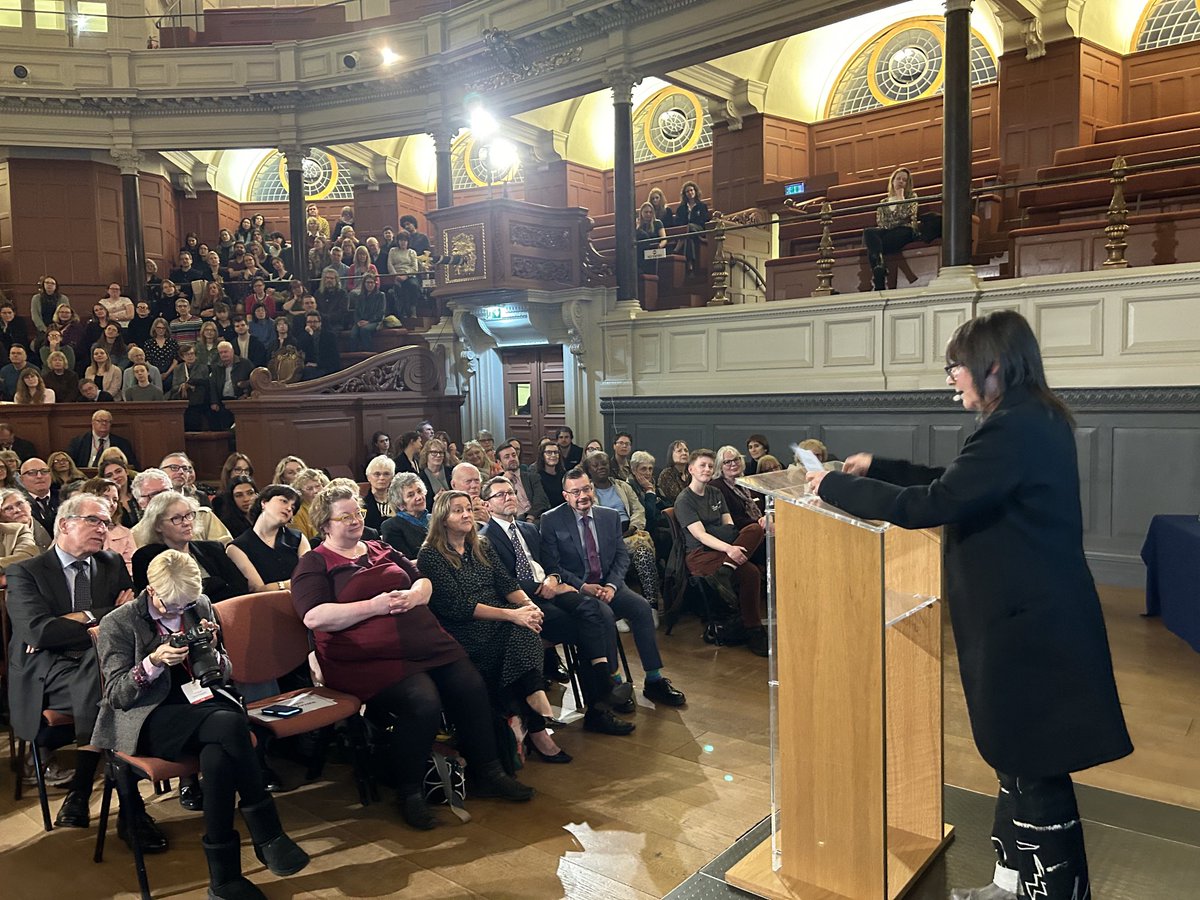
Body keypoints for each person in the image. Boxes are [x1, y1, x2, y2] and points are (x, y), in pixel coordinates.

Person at [806, 310, 1132, 900]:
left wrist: (833, 486)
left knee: (1033, 761)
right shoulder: (1028, 417)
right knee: (1019, 759)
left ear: (993, 365)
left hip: (1027, 625)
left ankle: (1049, 892)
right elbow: (959, 483)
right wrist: (879, 468)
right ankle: (1012, 882)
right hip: (1029, 617)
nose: (951, 377)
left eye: (955, 365)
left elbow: (936, 502)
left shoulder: (1015, 426)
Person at [291, 482, 534, 829]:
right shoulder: (315, 563)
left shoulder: (379, 546)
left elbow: (421, 579)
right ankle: (410, 792)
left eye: (357, 512)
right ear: (325, 524)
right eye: (344, 516)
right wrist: (373, 606)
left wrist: (416, 596)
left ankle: (490, 772)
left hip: (423, 642)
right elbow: (313, 616)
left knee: (469, 684)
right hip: (364, 657)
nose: (355, 520)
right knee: (423, 700)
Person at [92, 550, 310, 898]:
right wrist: (152, 662)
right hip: (150, 715)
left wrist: (210, 648)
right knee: (231, 726)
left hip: (203, 705)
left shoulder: (200, 605)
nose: (181, 612)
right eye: (172, 606)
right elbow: (118, 695)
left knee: (219, 756)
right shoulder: (120, 622)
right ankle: (268, 833)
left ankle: (224, 881)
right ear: (151, 590)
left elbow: (224, 672)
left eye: (187, 604)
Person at [5, 494, 167, 850]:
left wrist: (81, 619)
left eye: (107, 523)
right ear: (65, 524)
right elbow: (38, 633)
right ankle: (127, 808)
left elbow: (136, 615)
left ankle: (85, 790)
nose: (103, 529)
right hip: (47, 671)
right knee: (117, 684)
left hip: (98, 665)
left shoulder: (109, 562)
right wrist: (104, 616)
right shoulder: (26, 571)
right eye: (94, 521)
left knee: (109, 679)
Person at [418, 491, 570, 764]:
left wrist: (528, 606)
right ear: (442, 518)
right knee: (520, 628)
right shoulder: (431, 555)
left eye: (468, 509)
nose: (466, 515)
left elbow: (506, 584)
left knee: (526, 625)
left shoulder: (482, 545)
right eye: (457, 511)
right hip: (463, 627)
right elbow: (459, 607)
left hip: (499, 617)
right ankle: (535, 718)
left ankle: (529, 713)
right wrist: (514, 615)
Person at [481, 476, 633, 737]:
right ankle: (601, 698)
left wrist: (554, 578)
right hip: (526, 600)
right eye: (500, 495)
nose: (508, 497)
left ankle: (602, 684)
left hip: (552, 590)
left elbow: (551, 562)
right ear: (487, 504)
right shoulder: (485, 538)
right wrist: (543, 587)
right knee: (586, 626)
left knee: (594, 611)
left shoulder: (529, 529)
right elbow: (502, 582)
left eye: (510, 492)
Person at [540, 468, 687, 708]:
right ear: (565, 495)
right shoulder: (551, 520)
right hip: (576, 589)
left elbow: (621, 556)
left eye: (586, 489)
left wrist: (611, 585)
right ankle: (614, 682)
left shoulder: (609, 516)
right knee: (604, 615)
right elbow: (552, 564)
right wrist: (583, 586)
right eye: (575, 492)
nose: (582, 496)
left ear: (593, 489)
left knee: (640, 607)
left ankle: (654, 679)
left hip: (608, 584)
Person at [675, 448, 768, 656]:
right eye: (702, 465)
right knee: (751, 571)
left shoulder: (715, 493)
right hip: (700, 555)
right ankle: (752, 628)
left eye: (710, 466)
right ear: (691, 469)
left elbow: (730, 527)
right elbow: (700, 535)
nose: (707, 469)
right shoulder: (684, 500)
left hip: (721, 551)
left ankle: (751, 626)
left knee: (754, 529)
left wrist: (723, 541)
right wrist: (728, 547)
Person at [131, 490, 248, 601]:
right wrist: (215, 585)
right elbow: (162, 601)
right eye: (176, 518)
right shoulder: (145, 557)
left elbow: (240, 588)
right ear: (158, 526)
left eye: (189, 515)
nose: (186, 523)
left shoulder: (213, 548)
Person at [580, 452, 660, 610]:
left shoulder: (623, 486)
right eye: (595, 465)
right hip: (604, 537)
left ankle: (651, 605)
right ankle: (613, 607)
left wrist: (634, 527)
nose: (601, 467)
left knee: (643, 551)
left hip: (630, 531)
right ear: (589, 470)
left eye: (604, 464)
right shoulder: (586, 492)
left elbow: (638, 509)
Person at [227, 484, 309, 592]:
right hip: (265, 605)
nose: (289, 508)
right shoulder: (236, 547)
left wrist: (278, 586)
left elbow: (309, 578)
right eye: (284, 501)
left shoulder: (298, 538)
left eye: (293, 508)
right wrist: (292, 583)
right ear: (264, 502)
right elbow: (259, 589)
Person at [863, 166, 919, 291]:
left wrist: (901, 199)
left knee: (873, 248)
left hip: (904, 231)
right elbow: (881, 222)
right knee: (869, 232)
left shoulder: (912, 197)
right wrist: (896, 221)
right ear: (892, 181)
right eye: (898, 179)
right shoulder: (883, 201)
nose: (901, 182)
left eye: (904, 180)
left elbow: (905, 216)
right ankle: (880, 266)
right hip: (887, 232)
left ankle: (879, 278)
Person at [79, 476, 137, 573]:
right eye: (105, 497)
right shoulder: (73, 528)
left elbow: (131, 567)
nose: (111, 504)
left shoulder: (124, 533)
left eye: (115, 500)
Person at [379, 472, 430, 559]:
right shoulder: (391, 526)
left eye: (419, 491)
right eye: (411, 495)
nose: (419, 497)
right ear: (400, 505)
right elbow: (403, 563)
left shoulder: (435, 519)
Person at [67, 409, 140, 469]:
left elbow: (133, 465)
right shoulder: (78, 441)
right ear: (93, 423)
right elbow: (70, 464)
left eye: (107, 421)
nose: (104, 424)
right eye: (100, 421)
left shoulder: (122, 443)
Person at [207, 341, 254, 429]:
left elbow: (253, 381)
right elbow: (212, 385)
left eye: (226, 352)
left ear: (232, 351)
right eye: (221, 352)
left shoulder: (245, 364)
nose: (224, 354)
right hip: (223, 402)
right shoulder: (216, 367)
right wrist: (214, 402)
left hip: (240, 402)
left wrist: (246, 394)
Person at [675, 181, 709, 273]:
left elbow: (704, 221)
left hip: (699, 229)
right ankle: (690, 264)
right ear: (685, 194)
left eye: (691, 190)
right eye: (687, 191)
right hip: (688, 232)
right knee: (689, 238)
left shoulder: (702, 206)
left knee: (689, 227)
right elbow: (678, 222)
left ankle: (678, 248)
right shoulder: (681, 208)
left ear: (695, 191)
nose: (690, 193)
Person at [19, 457, 60, 534]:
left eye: (44, 471)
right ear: (21, 479)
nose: (39, 476)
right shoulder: (19, 505)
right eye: (32, 473)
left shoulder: (65, 498)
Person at [215, 475, 258, 540]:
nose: (246, 499)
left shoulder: (266, 517)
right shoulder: (227, 524)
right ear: (232, 499)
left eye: (250, 493)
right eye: (239, 495)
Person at [101, 457, 140, 528]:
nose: (115, 476)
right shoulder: (105, 502)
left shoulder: (140, 493)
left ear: (126, 471)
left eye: (118, 471)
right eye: (109, 475)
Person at [362, 454, 396, 531]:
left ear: (392, 477)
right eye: (377, 474)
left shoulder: (399, 502)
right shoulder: (362, 505)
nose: (382, 478)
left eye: (386, 474)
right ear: (368, 477)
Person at [635, 202, 667, 276]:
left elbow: (664, 239)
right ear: (641, 213)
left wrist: (660, 246)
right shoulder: (638, 224)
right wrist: (637, 227)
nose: (648, 214)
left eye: (650, 212)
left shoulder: (658, 223)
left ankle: (644, 273)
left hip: (656, 249)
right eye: (646, 212)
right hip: (642, 250)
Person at [656, 440, 691, 504]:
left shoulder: (692, 473)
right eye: (679, 451)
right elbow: (677, 497)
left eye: (686, 450)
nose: (684, 453)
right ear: (671, 455)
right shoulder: (666, 474)